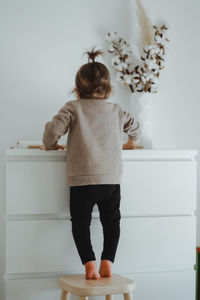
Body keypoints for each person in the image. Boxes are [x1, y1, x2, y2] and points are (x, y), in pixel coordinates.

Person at [41, 47, 139, 280]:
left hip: (82, 181)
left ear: (77, 89)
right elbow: (135, 127)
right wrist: (131, 143)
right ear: (109, 90)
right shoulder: (116, 110)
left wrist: (52, 145)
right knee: (112, 221)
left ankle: (89, 264)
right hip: (110, 180)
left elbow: (50, 135)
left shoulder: (72, 108)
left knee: (81, 224)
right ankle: (107, 261)